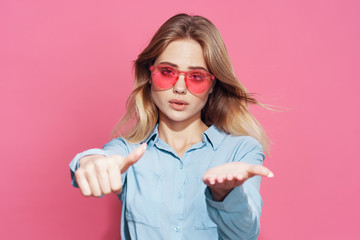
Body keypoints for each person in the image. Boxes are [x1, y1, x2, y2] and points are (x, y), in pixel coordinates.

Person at [69, 13, 274, 240]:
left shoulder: (241, 150)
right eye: (167, 72)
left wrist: (225, 194)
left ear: (212, 86)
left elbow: (246, 234)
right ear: (149, 75)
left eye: (196, 76)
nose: (179, 88)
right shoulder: (129, 153)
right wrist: (91, 162)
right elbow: (100, 159)